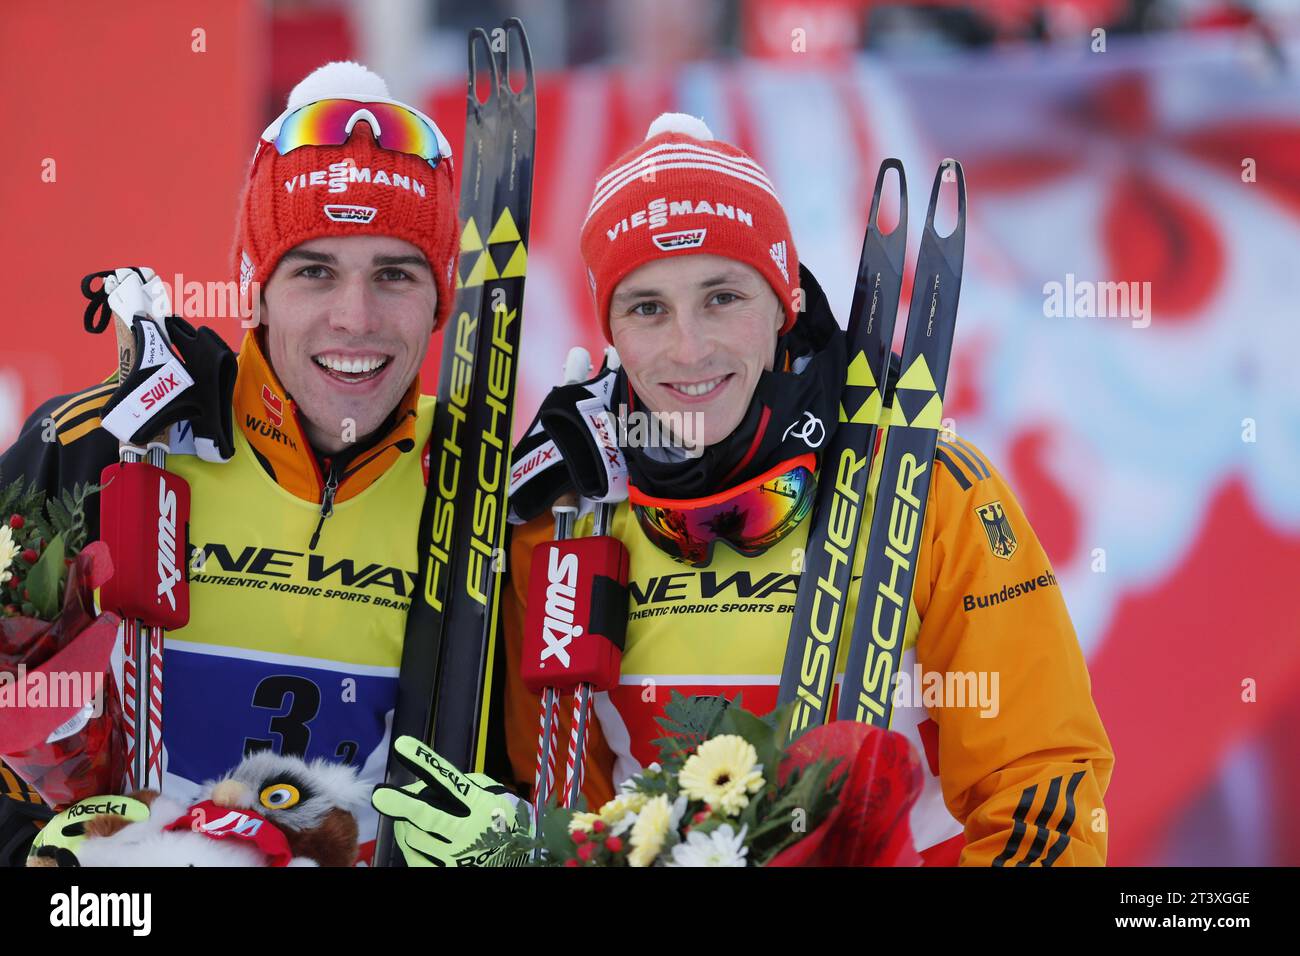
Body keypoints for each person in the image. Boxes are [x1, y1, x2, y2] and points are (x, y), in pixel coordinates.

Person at [492, 114, 1116, 866]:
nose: (689, 348)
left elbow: (1040, 784)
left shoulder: (930, 490)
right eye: (648, 307)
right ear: (610, 329)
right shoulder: (564, 513)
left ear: (784, 300)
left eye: (723, 297)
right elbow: (563, 800)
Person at [0, 60, 459, 866]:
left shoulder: (473, 482)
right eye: (315, 272)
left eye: (395, 275)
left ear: (439, 299)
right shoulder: (100, 445)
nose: (355, 318)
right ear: (255, 288)